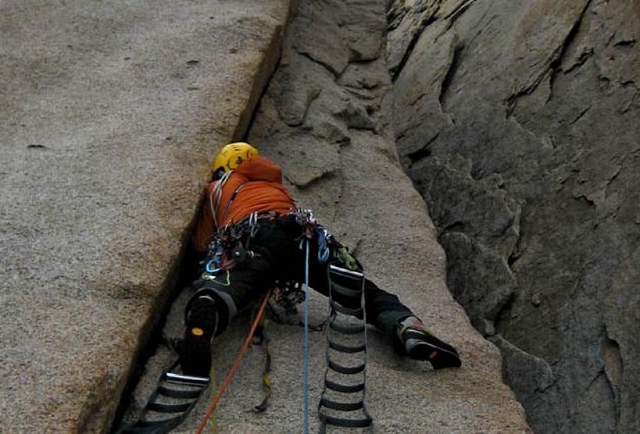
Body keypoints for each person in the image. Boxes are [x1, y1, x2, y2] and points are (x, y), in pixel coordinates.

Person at [177, 142, 461, 377]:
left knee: (228, 285)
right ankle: (408, 327)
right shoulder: (273, 185)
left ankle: (207, 311)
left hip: (253, 238)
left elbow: (202, 243)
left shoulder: (220, 186)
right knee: (363, 292)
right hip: (302, 235)